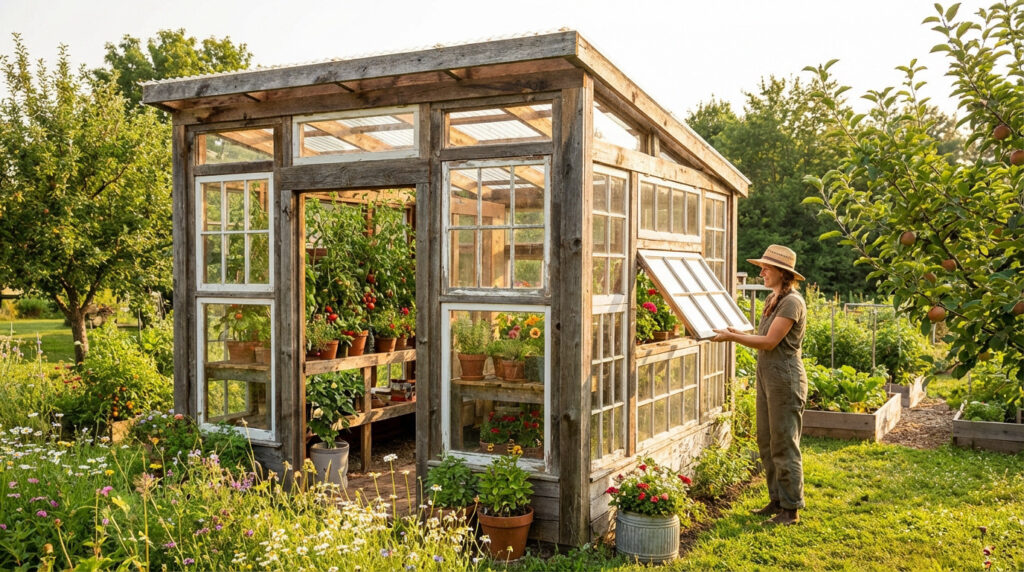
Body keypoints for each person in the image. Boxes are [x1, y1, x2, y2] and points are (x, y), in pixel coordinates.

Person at [712, 244, 807, 526]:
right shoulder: (774, 299)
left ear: (782, 272)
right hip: (768, 376)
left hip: (785, 378)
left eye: (766, 268)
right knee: (766, 441)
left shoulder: (792, 302)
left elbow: (769, 342)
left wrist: (732, 337)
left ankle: (790, 510)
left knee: (784, 443)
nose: (761, 271)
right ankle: (776, 500)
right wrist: (736, 332)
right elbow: (761, 335)